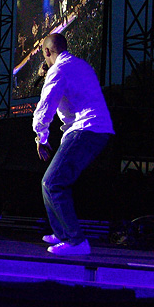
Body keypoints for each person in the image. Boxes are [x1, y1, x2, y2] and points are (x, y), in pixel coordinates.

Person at [33, 33, 114, 255]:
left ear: (47, 52)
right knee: (49, 183)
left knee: (52, 183)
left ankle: (77, 242)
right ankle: (61, 234)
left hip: (86, 129)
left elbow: (45, 106)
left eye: (44, 54)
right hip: (96, 130)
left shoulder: (59, 71)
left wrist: (41, 137)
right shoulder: (80, 65)